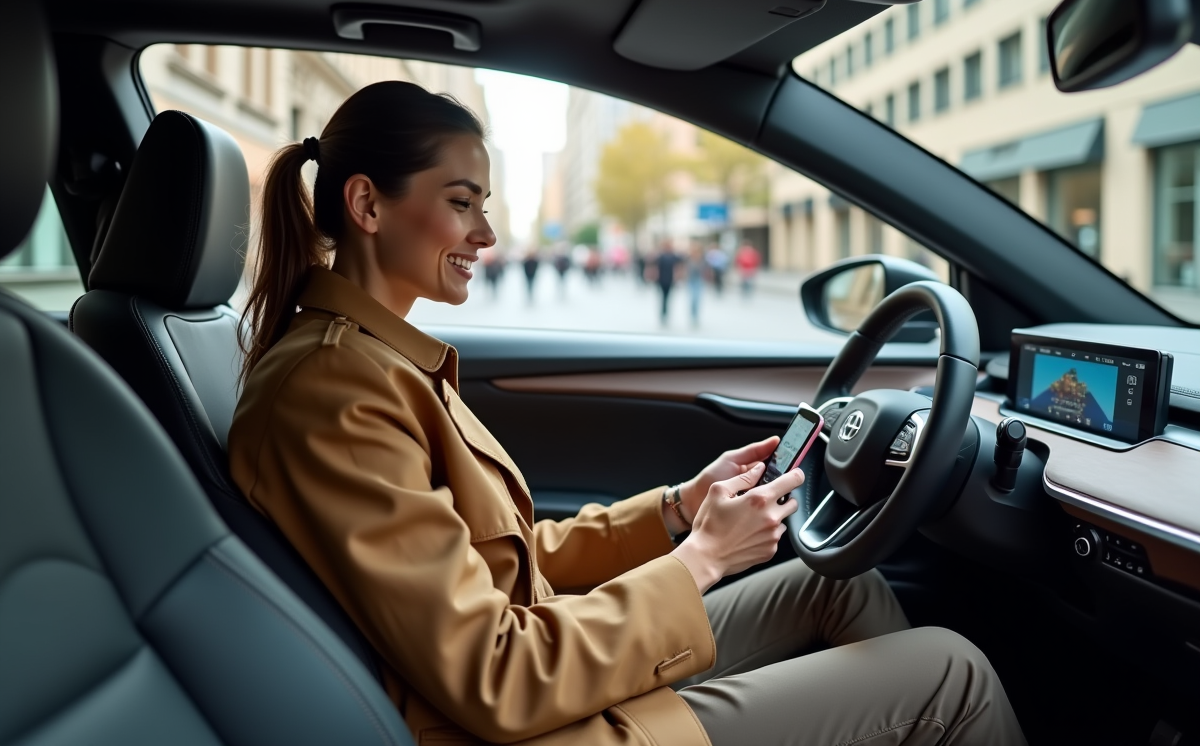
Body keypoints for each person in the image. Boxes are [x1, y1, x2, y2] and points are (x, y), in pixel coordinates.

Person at [228, 81, 1026, 746]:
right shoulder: (335, 389)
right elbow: (492, 672)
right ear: (368, 204)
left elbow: (504, 563)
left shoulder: (374, 362)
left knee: (837, 588)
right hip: (536, 724)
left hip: (551, 674)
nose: (488, 232)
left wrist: (680, 512)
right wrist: (703, 561)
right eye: (462, 202)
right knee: (952, 671)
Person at [649, 237, 684, 326]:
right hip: (661, 280)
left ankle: (665, 313)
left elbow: (679, 266)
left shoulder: (674, 256)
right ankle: (663, 313)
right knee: (663, 298)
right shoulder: (660, 256)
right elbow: (654, 266)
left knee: (667, 298)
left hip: (670, 280)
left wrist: (679, 277)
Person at [686, 241, 706, 327]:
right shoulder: (688, 258)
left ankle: (695, 316)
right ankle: (692, 315)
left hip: (699, 280)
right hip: (690, 280)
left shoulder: (702, 259)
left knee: (697, 298)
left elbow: (705, 269)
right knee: (692, 299)